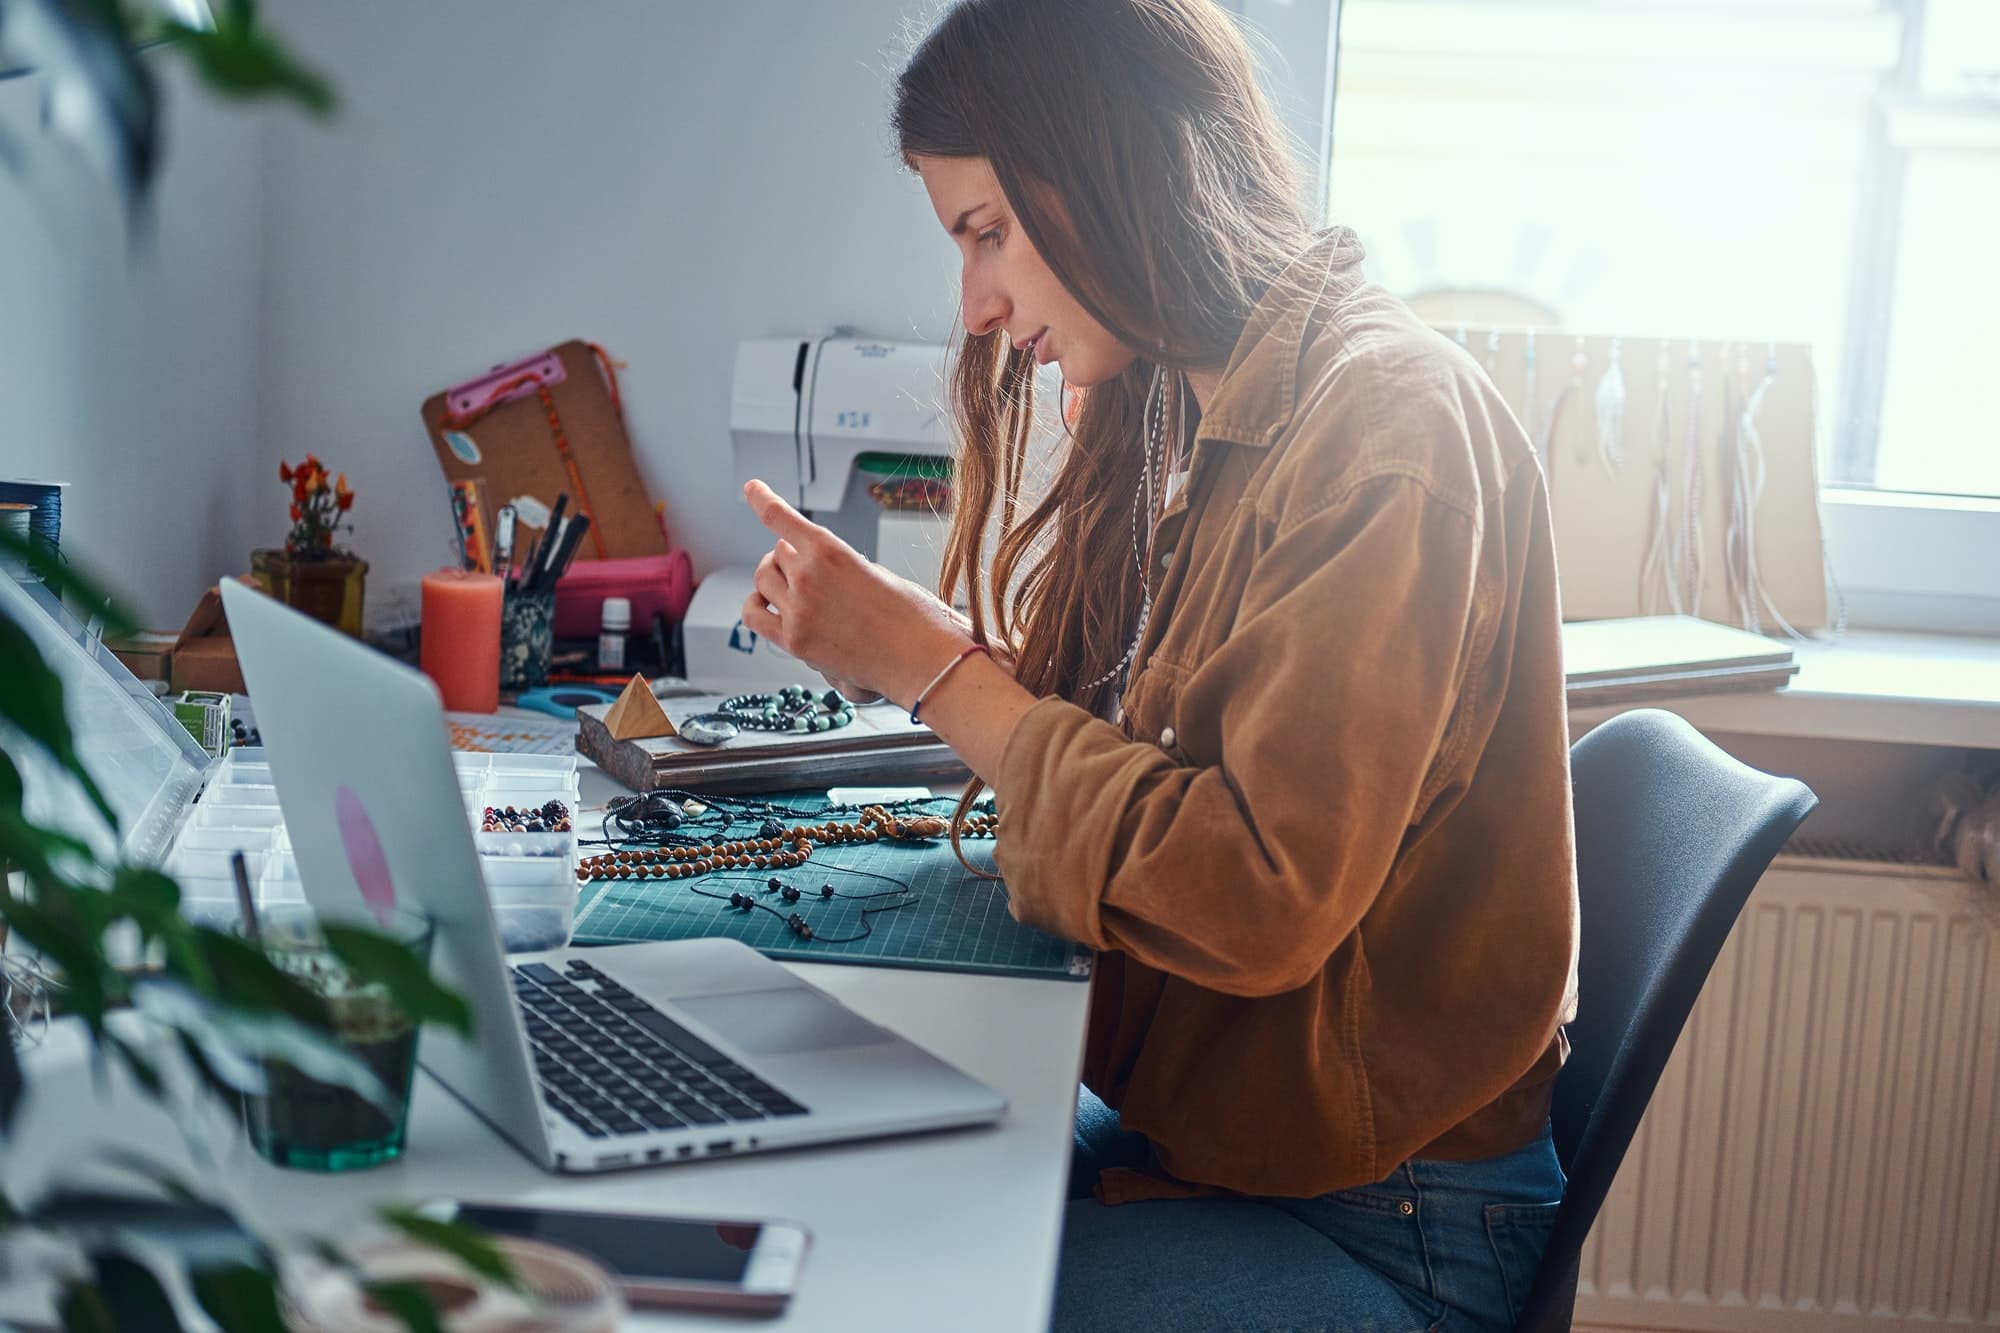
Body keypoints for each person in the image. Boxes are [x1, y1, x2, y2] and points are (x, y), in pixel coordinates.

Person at [737, 1, 1578, 1327]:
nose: (976, 303)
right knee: (821, 1210)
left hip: (1384, 1221)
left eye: (988, 234)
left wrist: (941, 668)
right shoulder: (1207, 395)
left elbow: (1254, 888)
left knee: (875, 1298)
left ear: (1110, 167)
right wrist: (913, 652)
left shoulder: (1385, 432)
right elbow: (1164, 743)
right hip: (1223, 1147)